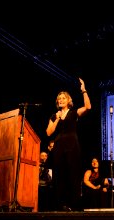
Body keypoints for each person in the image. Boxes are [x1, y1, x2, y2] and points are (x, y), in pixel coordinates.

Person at [46, 78, 91, 211]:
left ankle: (75, 203)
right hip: (59, 146)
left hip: (72, 144)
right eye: (59, 98)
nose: (60, 100)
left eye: (63, 98)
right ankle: (61, 204)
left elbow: (88, 107)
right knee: (59, 175)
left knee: (73, 173)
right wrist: (57, 119)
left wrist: (84, 90)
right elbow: (48, 133)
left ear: (68, 100)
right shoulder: (55, 116)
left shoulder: (74, 112)